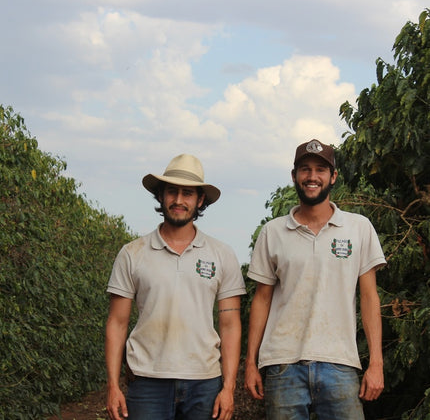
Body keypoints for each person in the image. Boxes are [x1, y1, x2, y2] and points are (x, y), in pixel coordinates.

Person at [244, 139, 386, 419]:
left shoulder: (359, 228)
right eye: (305, 169)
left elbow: (369, 297)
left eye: (321, 169)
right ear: (294, 176)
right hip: (282, 365)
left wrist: (376, 363)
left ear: (333, 177)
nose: (312, 176)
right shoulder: (272, 232)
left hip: (341, 363)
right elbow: (261, 299)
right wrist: (251, 363)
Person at [105, 154, 246, 420]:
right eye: (172, 191)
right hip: (147, 381)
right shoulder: (133, 253)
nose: (179, 200)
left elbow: (230, 325)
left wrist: (228, 387)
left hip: (204, 382)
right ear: (161, 195)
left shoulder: (221, 254)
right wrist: (113, 386)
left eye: (188, 193)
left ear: (200, 200)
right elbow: (117, 322)